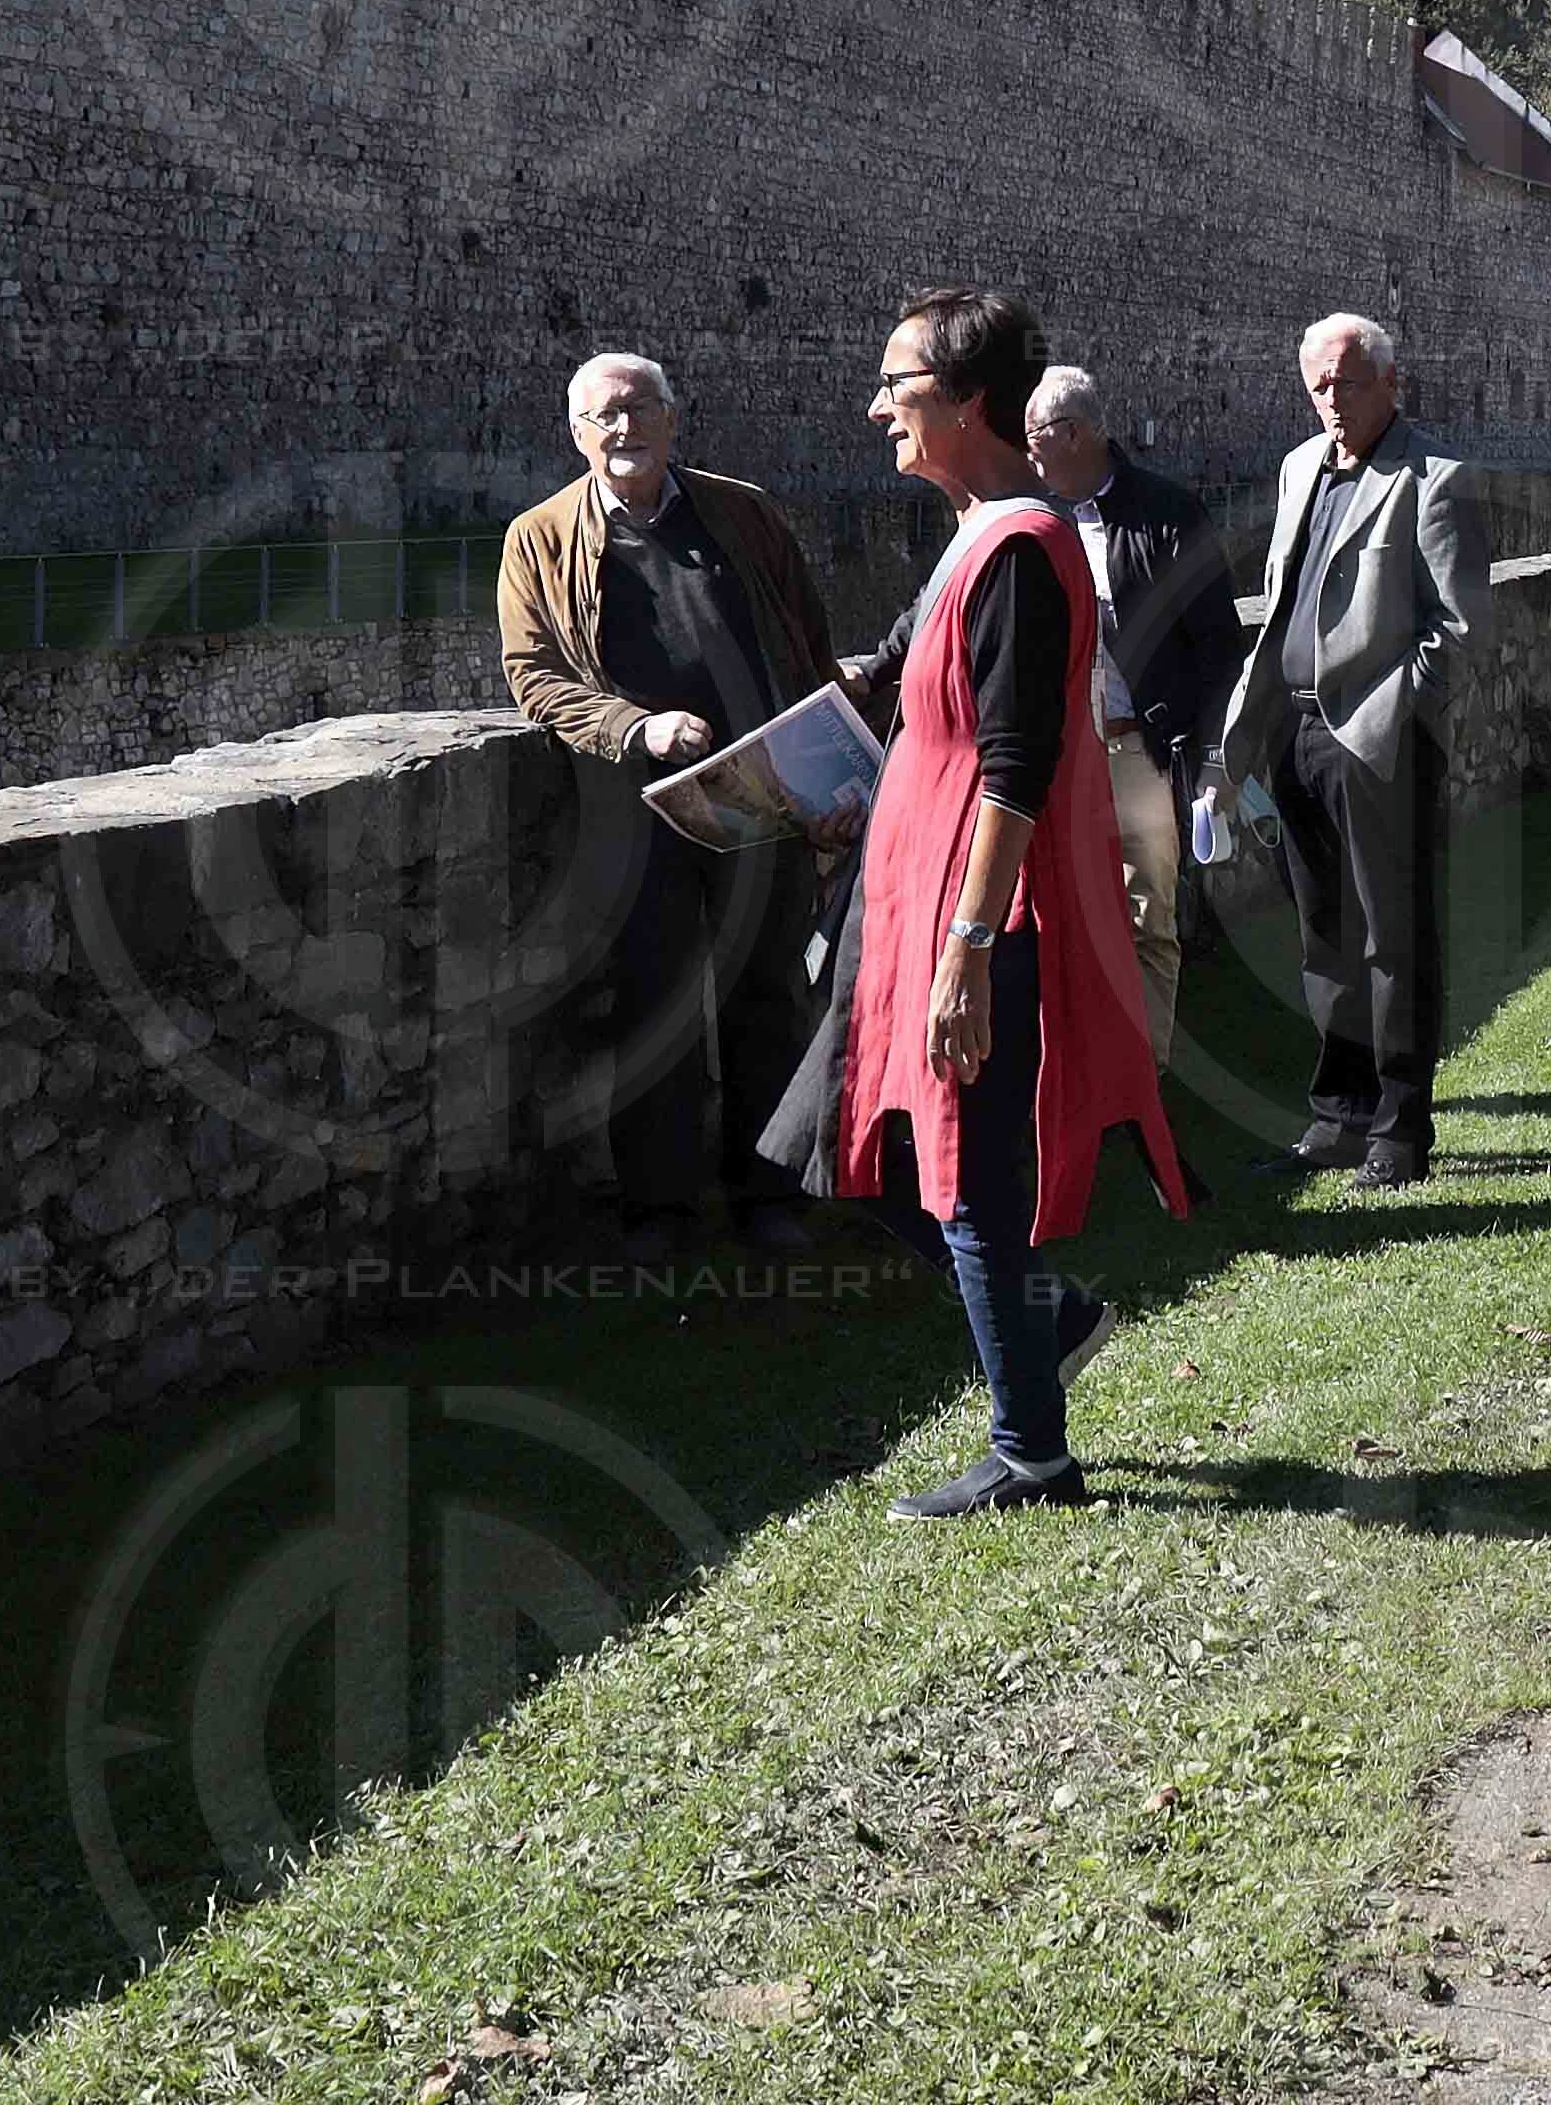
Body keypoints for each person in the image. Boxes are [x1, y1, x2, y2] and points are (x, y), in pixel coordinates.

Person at [827, 288, 1200, 1518]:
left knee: (969, 1181)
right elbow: (900, 681)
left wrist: (970, 950)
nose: (880, 405)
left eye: (901, 384)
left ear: (967, 400)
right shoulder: (976, 535)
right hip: (916, 909)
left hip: (980, 924)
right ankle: (1060, 1317)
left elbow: (1015, 766)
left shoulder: (1024, 552)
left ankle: (1032, 1450)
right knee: (866, 1159)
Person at [493, 350, 838, 1243]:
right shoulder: (538, 538)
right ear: (575, 434)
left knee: (768, 994)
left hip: (762, 792)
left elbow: (806, 638)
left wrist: (829, 766)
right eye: (604, 415)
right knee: (653, 1003)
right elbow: (532, 674)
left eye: (641, 407)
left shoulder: (743, 513)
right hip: (635, 808)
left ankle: (771, 1197)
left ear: (673, 418)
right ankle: (661, 1210)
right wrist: (633, 729)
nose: (624, 427)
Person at [1215, 310, 1488, 1188]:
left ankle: (1401, 1131)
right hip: (1292, 735)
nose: (1331, 399)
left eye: (1348, 381)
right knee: (1323, 935)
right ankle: (1338, 1114)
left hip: (1375, 741)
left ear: (1391, 383)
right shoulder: (1301, 468)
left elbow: (1459, 628)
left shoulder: (1434, 477)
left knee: (1393, 940)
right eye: (1319, 385)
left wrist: (1387, 710)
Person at [1027, 363, 1234, 1061]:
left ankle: (1143, 1075)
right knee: (1059, 919)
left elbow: (1217, 645)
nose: (1027, 455)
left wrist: (1209, 756)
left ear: (1077, 434)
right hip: (1054, 753)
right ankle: (1076, 1072)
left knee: (1148, 915)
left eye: (1036, 439)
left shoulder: (1167, 513)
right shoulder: (1029, 521)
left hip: (1136, 751)